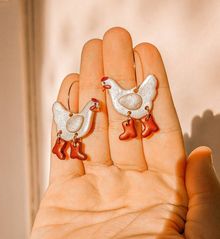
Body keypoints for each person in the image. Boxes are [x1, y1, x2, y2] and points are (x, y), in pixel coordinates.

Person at [30, 27, 220, 239]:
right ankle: (76, 145)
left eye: (105, 85)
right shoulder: (105, 103)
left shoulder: (115, 102)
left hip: (138, 108)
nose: (102, 92)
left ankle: (146, 125)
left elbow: (135, 104)